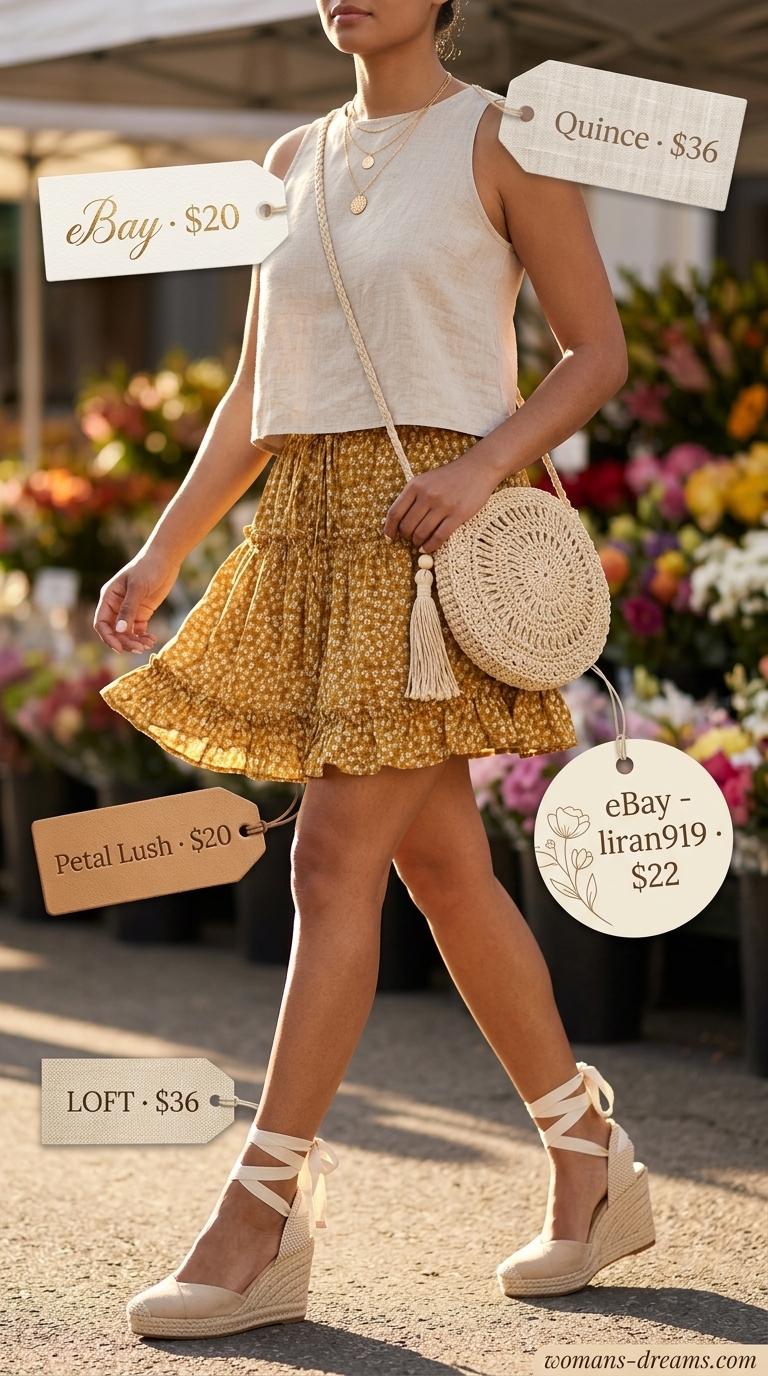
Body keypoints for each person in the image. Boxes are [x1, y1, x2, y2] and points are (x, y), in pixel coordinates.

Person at [94, 0, 654, 1341]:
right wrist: (164, 553)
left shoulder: (501, 137)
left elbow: (599, 352)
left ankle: (263, 1209)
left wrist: (476, 471)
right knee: (442, 873)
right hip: (308, 534)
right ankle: (591, 1163)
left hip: (428, 544)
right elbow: (254, 389)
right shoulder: (288, 163)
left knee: (326, 861)